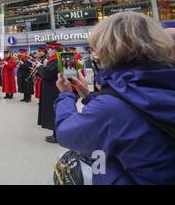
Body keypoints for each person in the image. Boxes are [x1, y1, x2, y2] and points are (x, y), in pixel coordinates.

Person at [55, 12, 175, 185]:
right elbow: (135, 110)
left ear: (108, 48)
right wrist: (89, 97)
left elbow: (65, 133)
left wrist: (66, 94)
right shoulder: (157, 83)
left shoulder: (110, 108)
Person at [37, 42, 62, 143]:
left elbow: (47, 73)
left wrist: (40, 66)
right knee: (53, 112)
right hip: (52, 89)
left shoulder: (55, 60)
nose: (48, 51)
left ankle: (56, 136)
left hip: (52, 90)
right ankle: (55, 134)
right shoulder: (54, 60)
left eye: (49, 49)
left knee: (53, 112)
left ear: (54, 50)